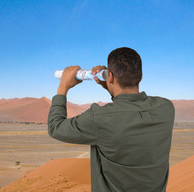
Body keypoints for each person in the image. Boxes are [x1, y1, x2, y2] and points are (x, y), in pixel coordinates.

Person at [48, 47, 175, 192]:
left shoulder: (100, 118)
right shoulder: (166, 108)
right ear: (141, 76)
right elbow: (127, 112)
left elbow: (55, 127)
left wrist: (63, 87)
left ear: (111, 77)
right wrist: (111, 87)